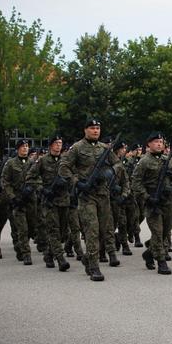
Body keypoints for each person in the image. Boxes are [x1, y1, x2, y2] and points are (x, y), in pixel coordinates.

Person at [59, 119, 119, 281]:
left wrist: (109, 173)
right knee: (92, 230)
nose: (95, 131)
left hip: (103, 195)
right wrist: (77, 182)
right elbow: (63, 167)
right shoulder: (77, 148)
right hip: (87, 196)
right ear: (85, 130)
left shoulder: (105, 148)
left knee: (103, 230)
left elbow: (117, 164)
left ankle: (88, 258)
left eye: (98, 128)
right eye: (92, 128)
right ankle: (94, 266)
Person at [131, 132, 172, 275]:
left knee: (165, 232)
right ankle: (162, 262)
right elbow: (136, 182)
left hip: (167, 202)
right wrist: (146, 197)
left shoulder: (169, 160)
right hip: (152, 203)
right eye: (155, 142)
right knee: (157, 231)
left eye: (161, 141)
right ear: (148, 145)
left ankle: (149, 253)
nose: (159, 144)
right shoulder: (144, 162)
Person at [26, 135, 71, 271]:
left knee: (64, 233)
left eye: (60, 143)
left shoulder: (66, 161)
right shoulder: (42, 161)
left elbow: (74, 176)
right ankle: (60, 258)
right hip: (50, 202)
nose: (58, 145)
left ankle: (49, 254)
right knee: (53, 230)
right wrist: (42, 189)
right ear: (51, 145)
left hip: (64, 200)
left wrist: (68, 182)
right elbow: (30, 178)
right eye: (56, 143)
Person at [2, 139, 35, 265]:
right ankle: (26, 253)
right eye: (22, 147)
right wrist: (13, 197)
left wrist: (32, 188)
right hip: (18, 200)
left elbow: (38, 179)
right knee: (22, 228)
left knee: (31, 227)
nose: (25, 148)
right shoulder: (11, 164)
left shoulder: (33, 163)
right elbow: (5, 182)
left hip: (31, 200)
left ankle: (21, 246)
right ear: (17, 149)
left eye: (26, 146)